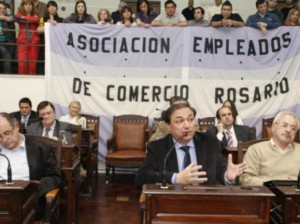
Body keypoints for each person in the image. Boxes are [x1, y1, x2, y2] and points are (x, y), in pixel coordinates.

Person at [135, 103, 246, 188]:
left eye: (190, 119)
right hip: (171, 203)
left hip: (203, 203)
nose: (187, 126)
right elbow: (141, 177)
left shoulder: (209, 142)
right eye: (180, 121)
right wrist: (175, 178)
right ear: (168, 126)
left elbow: (221, 169)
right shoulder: (157, 147)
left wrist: (228, 176)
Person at [0, 112, 63, 221]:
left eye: (7, 133)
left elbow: (56, 177)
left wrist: (33, 190)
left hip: (28, 204)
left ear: (16, 127)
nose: (4, 139)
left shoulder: (40, 149)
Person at [240, 111, 300, 186]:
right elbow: (246, 179)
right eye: (285, 125)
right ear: (273, 127)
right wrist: (274, 183)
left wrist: (295, 183)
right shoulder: (256, 149)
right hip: (266, 195)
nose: (288, 130)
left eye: (293, 128)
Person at [14, 0, 40, 75]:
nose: (28, 7)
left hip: (34, 43)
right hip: (22, 42)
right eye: (26, 5)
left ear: (33, 6)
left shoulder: (35, 15)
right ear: (23, 6)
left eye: (30, 5)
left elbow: (36, 19)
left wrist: (24, 18)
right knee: (22, 64)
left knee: (32, 65)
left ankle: (32, 83)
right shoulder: (19, 15)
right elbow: (15, 17)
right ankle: (21, 83)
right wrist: (27, 18)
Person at [0, 1, 15, 74]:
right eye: (0, 8)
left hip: (6, 44)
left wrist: (4, 17)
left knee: (7, 67)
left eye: (4, 8)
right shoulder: (5, 17)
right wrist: (2, 17)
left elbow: (12, 18)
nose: (2, 10)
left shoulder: (9, 17)